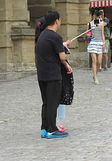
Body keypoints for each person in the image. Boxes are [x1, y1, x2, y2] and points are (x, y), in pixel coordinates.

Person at [36, 11, 72, 139]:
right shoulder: (55, 37)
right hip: (53, 74)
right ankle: (52, 129)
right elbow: (62, 56)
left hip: (42, 74)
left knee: (46, 102)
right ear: (57, 20)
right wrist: (65, 56)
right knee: (53, 102)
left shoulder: (42, 35)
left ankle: (44, 128)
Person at [86, 10, 105, 85]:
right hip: (93, 43)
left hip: (100, 42)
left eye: (98, 16)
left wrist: (104, 43)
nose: (97, 17)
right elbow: (87, 33)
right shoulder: (90, 24)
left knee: (99, 62)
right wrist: (87, 35)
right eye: (96, 15)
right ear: (93, 15)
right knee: (94, 61)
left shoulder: (102, 23)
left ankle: (95, 75)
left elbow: (102, 33)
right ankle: (95, 77)